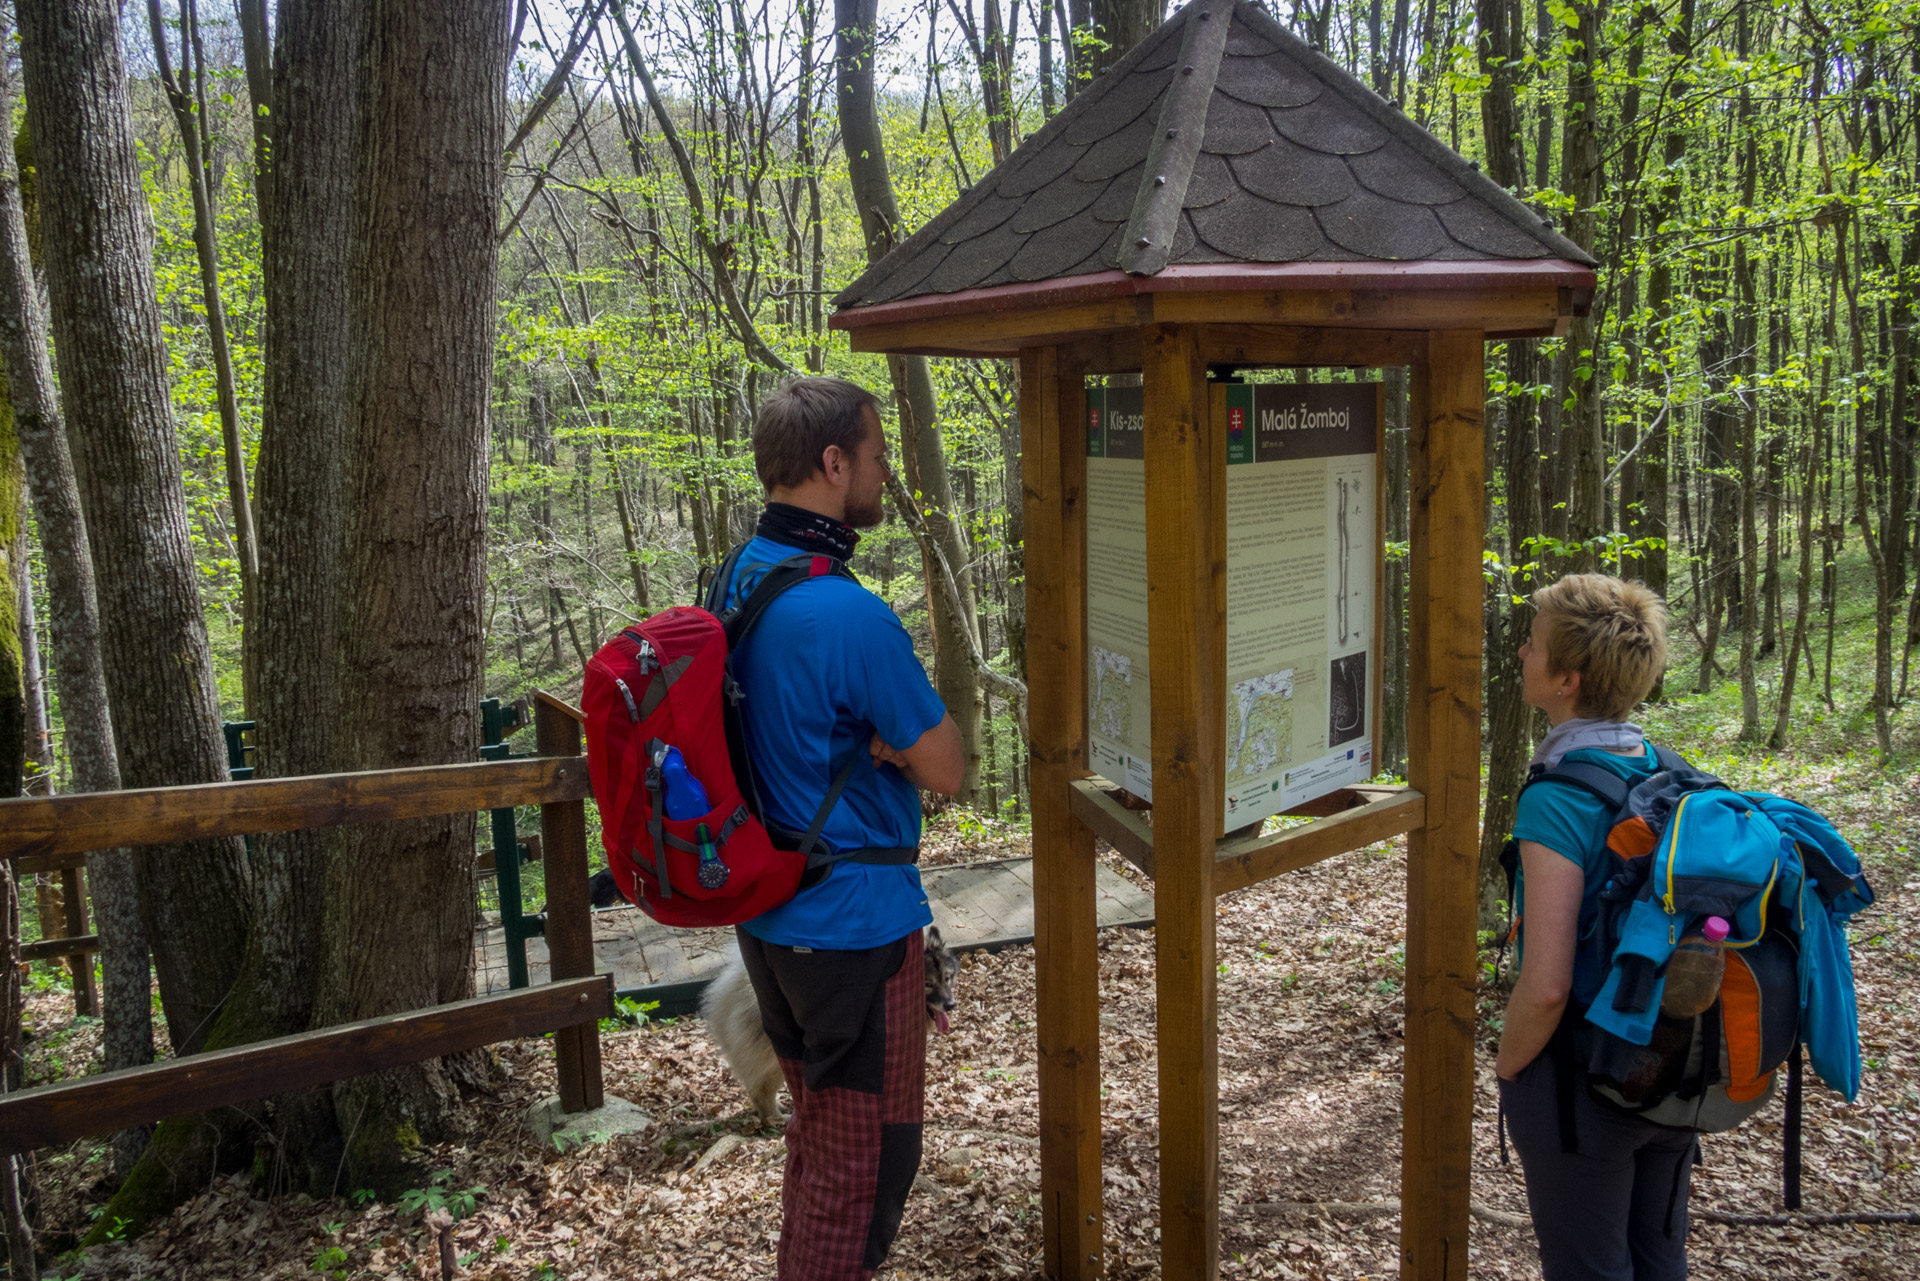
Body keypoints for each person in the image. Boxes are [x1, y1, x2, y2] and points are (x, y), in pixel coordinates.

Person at [714, 375, 963, 1281]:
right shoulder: (849, 613)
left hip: (771, 913)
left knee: (823, 1142)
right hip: (853, 925)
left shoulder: (739, 574)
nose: (884, 472)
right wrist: (900, 743)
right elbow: (948, 764)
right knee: (869, 1165)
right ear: (831, 463)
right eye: (876, 453)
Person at [1496, 573, 1687, 1281]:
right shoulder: (1665, 771)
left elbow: (1545, 986)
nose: (1520, 651)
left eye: (1534, 644)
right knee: (1658, 1258)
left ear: (1567, 679)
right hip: (1674, 1066)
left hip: (1582, 1077)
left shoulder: (1558, 799)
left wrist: (1511, 1067)